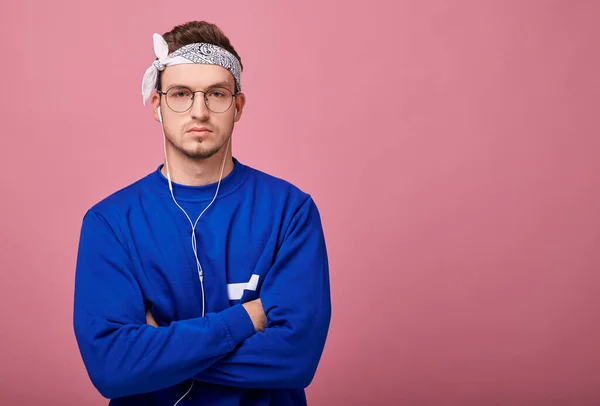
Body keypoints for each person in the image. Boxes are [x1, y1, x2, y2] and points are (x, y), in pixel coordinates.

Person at [72, 20, 331, 406]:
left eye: (216, 94)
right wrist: (247, 318)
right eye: (180, 93)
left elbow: (296, 359)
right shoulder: (110, 223)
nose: (199, 111)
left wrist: (156, 354)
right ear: (157, 105)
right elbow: (112, 368)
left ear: (238, 107)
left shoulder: (290, 212)